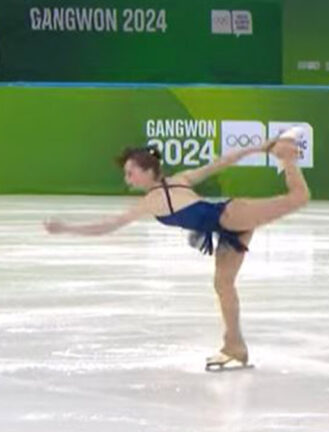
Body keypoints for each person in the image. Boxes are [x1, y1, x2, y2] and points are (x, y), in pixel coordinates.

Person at [44, 128, 310, 369]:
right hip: (225, 230)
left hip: (232, 214)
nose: (127, 179)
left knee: (299, 198)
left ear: (148, 170)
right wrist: (259, 146)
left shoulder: (154, 199)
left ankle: (287, 153)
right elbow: (222, 161)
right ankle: (235, 347)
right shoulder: (179, 180)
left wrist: (67, 228)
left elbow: (109, 225)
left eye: (130, 172)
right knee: (222, 284)